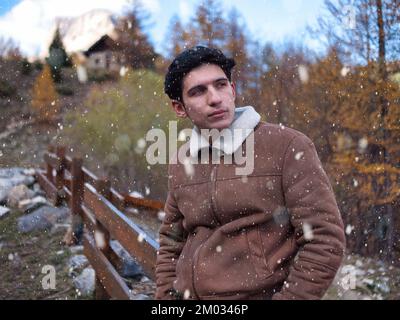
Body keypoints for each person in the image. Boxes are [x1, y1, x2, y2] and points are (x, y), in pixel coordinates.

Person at [155, 45, 346, 300]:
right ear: (180, 108)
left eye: (220, 85)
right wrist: (166, 298)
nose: (215, 98)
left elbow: (325, 239)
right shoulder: (181, 160)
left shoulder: (287, 146)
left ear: (233, 91)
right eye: (198, 91)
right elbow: (171, 240)